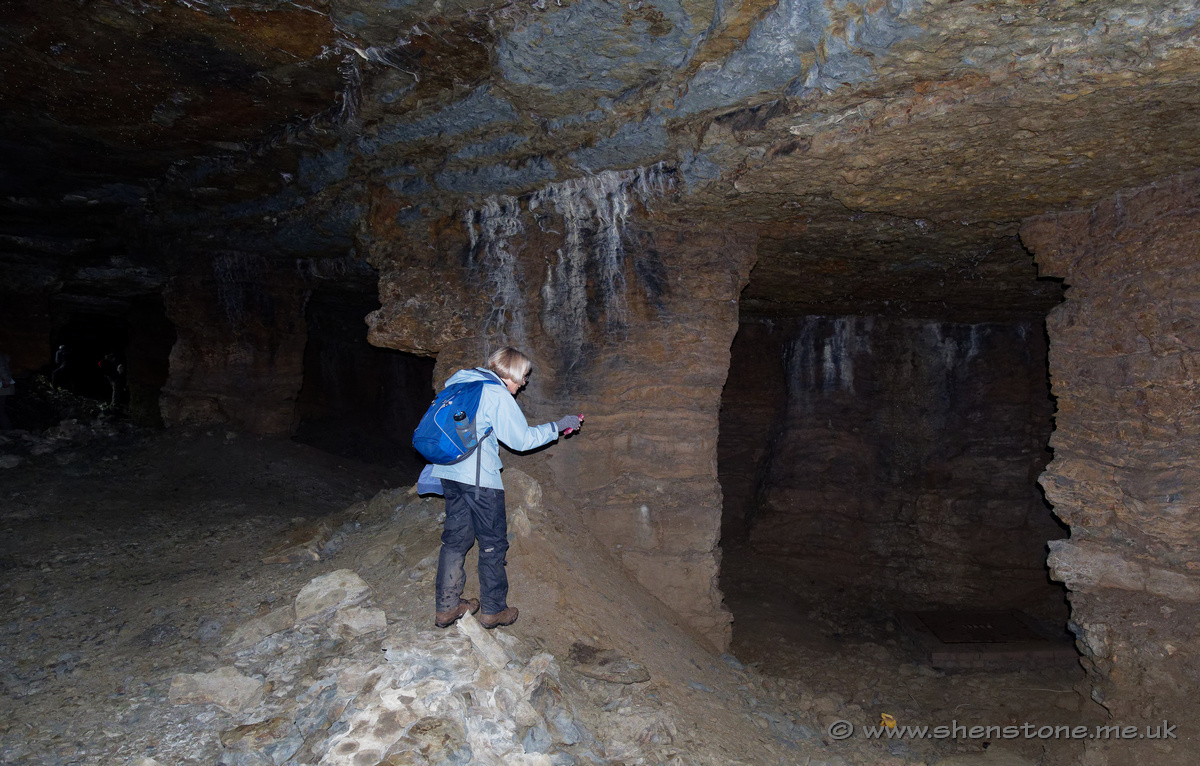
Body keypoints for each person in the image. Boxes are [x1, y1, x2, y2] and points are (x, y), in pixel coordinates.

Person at [430, 347, 583, 630]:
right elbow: (521, 440)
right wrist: (558, 426)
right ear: (511, 373)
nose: (524, 383)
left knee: (455, 540)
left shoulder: (460, 381)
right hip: (479, 478)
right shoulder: (495, 392)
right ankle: (493, 609)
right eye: (523, 376)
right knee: (492, 543)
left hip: (449, 472)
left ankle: (447, 607)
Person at [0, 352, 14, 431]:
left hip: (2, 386)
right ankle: (7, 430)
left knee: (1, 411)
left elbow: (2, 368)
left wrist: (6, 380)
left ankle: (7, 430)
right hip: (3, 386)